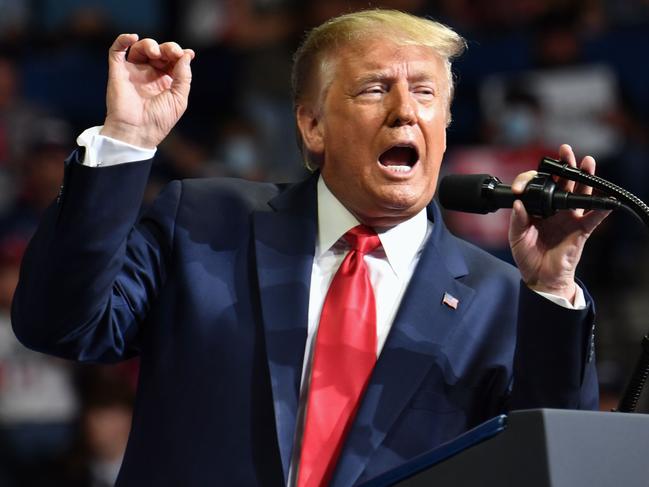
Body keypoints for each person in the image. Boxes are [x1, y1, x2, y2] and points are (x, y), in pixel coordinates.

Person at [11, 9, 608, 487]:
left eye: (425, 94)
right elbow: (60, 324)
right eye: (375, 89)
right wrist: (127, 141)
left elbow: (557, 463)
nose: (405, 112)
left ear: (446, 125)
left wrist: (553, 288)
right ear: (312, 126)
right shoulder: (203, 222)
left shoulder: (503, 298)